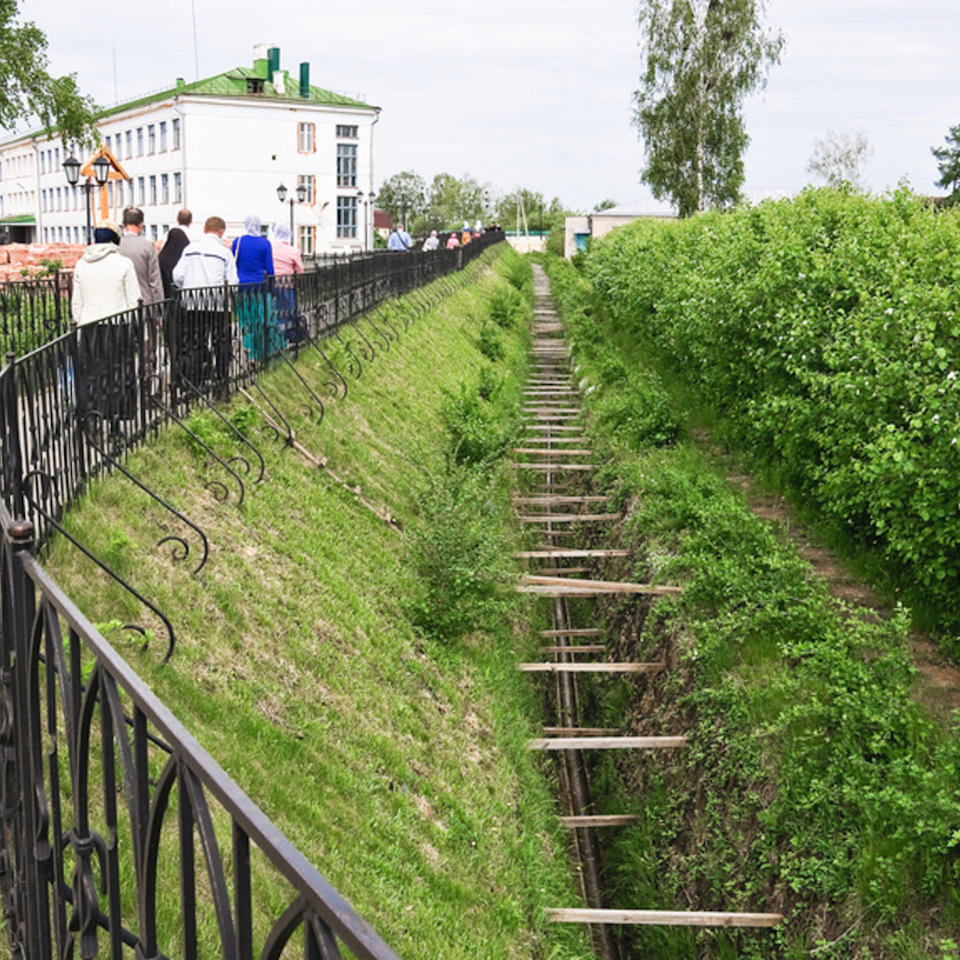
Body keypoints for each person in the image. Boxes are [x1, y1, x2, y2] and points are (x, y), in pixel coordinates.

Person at [71, 221, 141, 425]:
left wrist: (79, 328)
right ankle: (115, 421)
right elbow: (134, 301)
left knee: (92, 375)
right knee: (118, 374)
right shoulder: (124, 263)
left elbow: (77, 303)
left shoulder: (82, 264)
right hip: (118, 326)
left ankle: (93, 417)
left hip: (89, 327)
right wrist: (134, 329)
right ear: (114, 239)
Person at [171, 216, 239, 392]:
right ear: (221, 232)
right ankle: (222, 378)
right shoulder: (225, 253)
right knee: (220, 340)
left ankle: (196, 379)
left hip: (193, 302)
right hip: (217, 303)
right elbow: (233, 282)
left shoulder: (190, 249)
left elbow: (177, 275)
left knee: (195, 340)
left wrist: (189, 287)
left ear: (205, 230)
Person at [119, 206, 164, 383]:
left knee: (125, 348)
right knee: (148, 349)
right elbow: (155, 281)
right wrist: (159, 310)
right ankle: (147, 385)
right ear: (141, 225)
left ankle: (127, 385)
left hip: (122, 306)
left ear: (123, 224)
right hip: (145, 304)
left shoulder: (117, 246)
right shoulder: (147, 246)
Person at [231, 215, 277, 362]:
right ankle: (261, 351)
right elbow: (269, 269)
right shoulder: (265, 244)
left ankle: (249, 349)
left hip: (243, 286)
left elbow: (233, 264)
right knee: (261, 319)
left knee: (246, 319)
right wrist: (272, 288)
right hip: (260, 287)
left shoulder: (237, 242)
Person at [270, 223, 305, 344]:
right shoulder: (293, 251)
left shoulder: (270, 248)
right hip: (286, 285)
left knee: (274, 311)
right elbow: (300, 270)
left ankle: (276, 338)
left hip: (271, 284)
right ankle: (288, 336)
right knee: (288, 311)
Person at [159, 209, 194, 298]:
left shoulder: (168, 234)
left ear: (177, 219)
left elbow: (163, 249)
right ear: (191, 221)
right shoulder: (195, 236)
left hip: (167, 274)